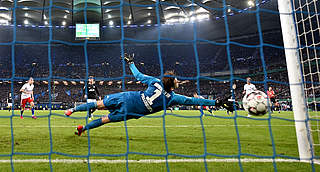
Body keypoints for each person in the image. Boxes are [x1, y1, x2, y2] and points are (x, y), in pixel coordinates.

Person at [65, 53, 234, 136]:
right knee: (105, 120)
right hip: (132, 111)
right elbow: (192, 101)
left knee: (98, 104)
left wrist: (131, 63)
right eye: (176, 80)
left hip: (129, 97)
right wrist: (217, 103)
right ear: (173, 83)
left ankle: (72, 110)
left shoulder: (155, 81)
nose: (178, 81)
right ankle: (84, 129)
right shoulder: (173, 98)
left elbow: (138, 76)